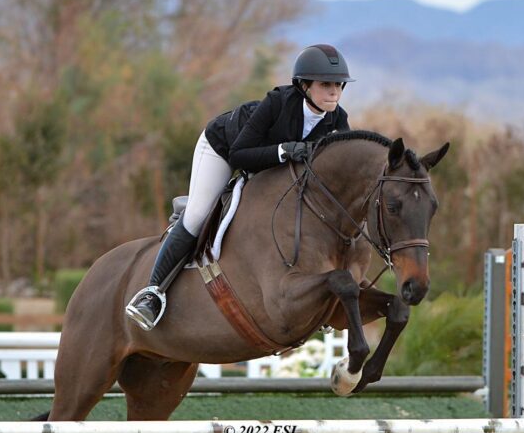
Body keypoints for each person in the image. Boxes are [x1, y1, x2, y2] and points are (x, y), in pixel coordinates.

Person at [125, 43, 355, 330]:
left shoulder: (338, 119)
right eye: (326, 84)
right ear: (304, 86)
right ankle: (152, 293)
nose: (334, 92)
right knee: (198, 215)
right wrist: (283, 151)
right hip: (223, 147)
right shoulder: (277, 103)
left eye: (339, 85)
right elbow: (239, 155)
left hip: (269, 168)